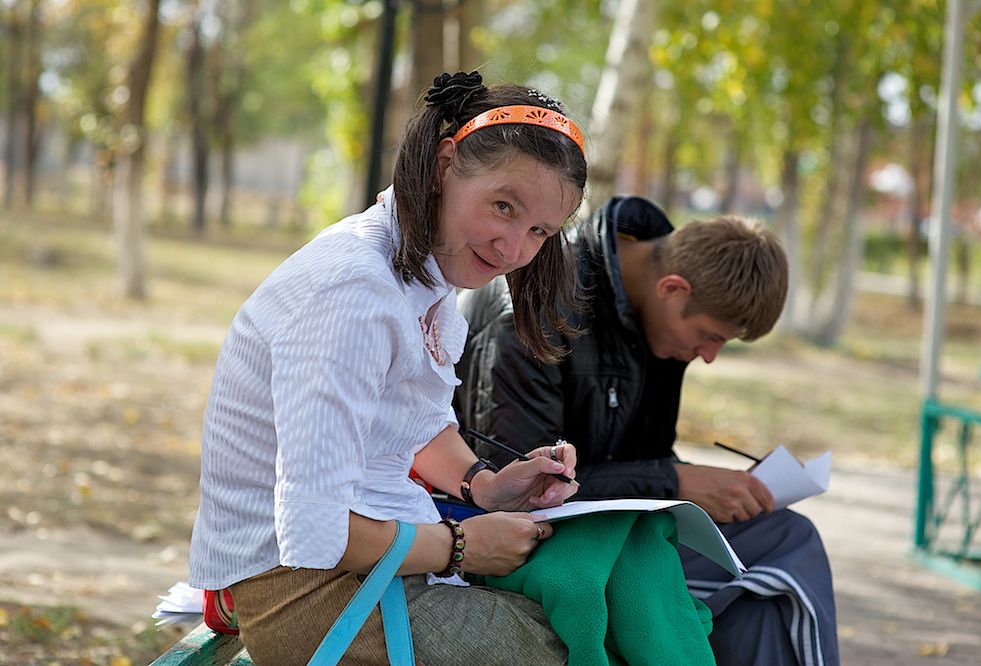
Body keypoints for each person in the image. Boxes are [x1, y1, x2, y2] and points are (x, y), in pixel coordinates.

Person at [187, 73, 713, 666]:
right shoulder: (354, 294)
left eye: (539, 230)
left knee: (626, 585)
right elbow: (317, 532)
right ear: (444, 165)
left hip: (377, 559)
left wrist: (485, 485)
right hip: (309, 597)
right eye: (503, 206)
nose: (514, 249)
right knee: (566, 643)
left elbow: (413, 424)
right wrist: (461, 546)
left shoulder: (422, 274)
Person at [456, 195, 840, 666]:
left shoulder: (660, 321)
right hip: (525, 535)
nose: (710, 355)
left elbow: (640, 457)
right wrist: (675, 482)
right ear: (674, 289)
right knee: (751, 580)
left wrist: (712, 486)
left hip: (614, 521)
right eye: (711, 336)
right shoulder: (533, 304)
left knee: (787, 538)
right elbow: (516, 484)